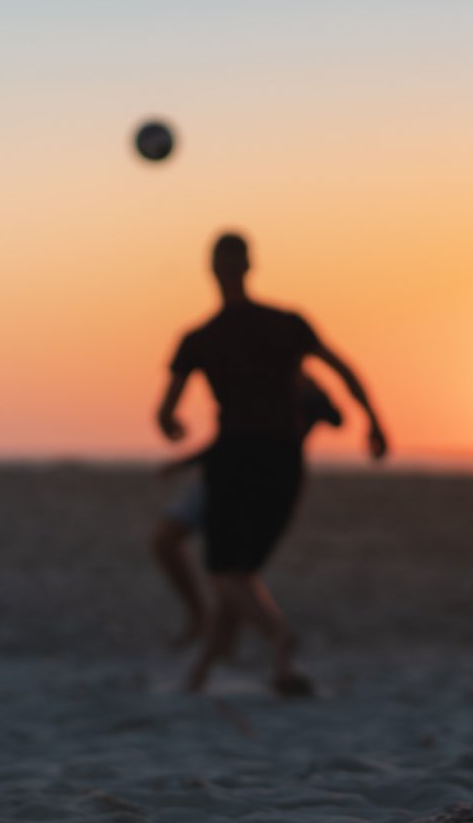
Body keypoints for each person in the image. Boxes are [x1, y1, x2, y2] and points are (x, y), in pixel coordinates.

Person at [156, 232, 389, 695]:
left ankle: (279, 635)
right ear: (249, 265)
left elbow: (166, 411)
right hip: (284, 463)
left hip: (235, 460)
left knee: (226, 571)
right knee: (238, 570)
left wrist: (172, 426)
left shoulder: (201, 338)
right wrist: (376, 424)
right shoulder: (286, 323)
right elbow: (343, 370)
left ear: (213, 270)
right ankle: (204, 676)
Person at [150, 374, 343, 649]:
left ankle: (263, 635)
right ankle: (211, 651)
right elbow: (230, 440)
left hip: (244, 483)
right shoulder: (269, 384)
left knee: (228, 574)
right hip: (252, 481)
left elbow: (335, 418)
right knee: (231, 574)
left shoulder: (289, 390)